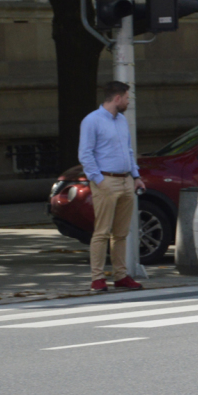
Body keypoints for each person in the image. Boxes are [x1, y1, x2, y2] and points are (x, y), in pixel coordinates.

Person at [78, 81, 145, 292]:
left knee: (121, 233)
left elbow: (129, 150)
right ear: (117, 98)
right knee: (102, 231)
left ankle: (120, 275)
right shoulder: (92, 121)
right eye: (126, 98)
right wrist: (99, 180)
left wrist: (135, 175)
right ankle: (97, 278)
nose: (128, 101)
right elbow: (85, 153)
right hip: (106, 181)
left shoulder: (122, 120)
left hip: (125, 180)